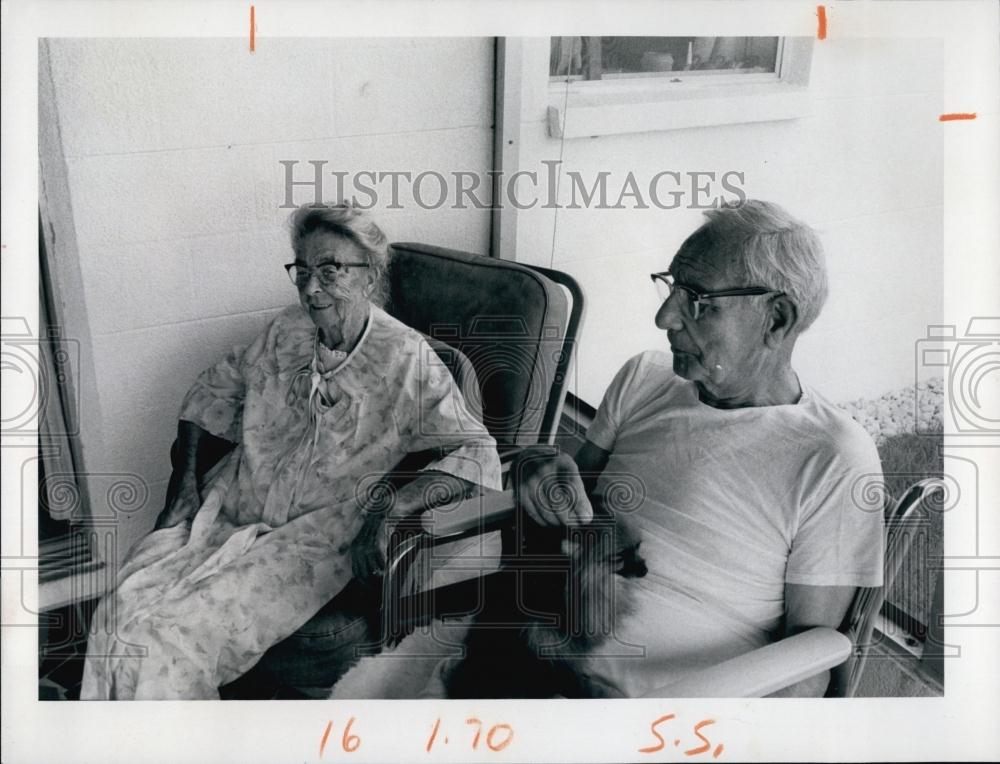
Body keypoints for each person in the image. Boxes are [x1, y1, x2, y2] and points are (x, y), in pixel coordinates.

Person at [81, 202, 501, 699]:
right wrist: (185, 486)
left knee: (170, 638)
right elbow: (211, 391)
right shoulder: (287, 331)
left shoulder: (407, 359)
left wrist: (393, 512)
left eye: (330, 271)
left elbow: (476, 452)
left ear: (370, 276)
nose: (310, 287)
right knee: (121, 608)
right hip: (231, 508)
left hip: (312, 539)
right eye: (301, 270)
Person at [510, 199, 885, 697]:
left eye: (698, 301)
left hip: (667, 719)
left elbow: (807, 662)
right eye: (672, 289)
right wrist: (535, 471)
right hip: (530, 663)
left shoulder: (834, 456)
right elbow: (563, 511)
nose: (665, 317)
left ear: (776, 319)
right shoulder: (644, 379)